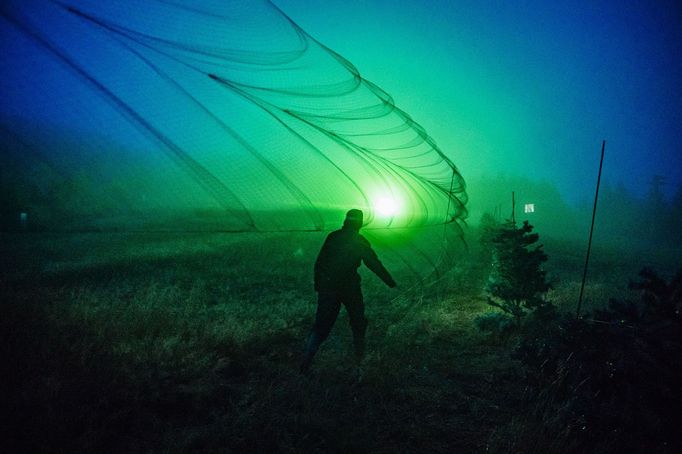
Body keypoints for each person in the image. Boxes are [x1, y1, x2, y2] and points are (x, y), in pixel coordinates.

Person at [300, 209, 397, 373]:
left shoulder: (333, 236)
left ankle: (305, 364)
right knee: (358, 323)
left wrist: (320, 286)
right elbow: (374, 264)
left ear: (345, 221)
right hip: (350, 288)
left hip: (328, 288)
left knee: (321, 326)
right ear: (359, 224)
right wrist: (391, 283)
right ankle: (359, 362)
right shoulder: (360, 241)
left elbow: (320, 262)